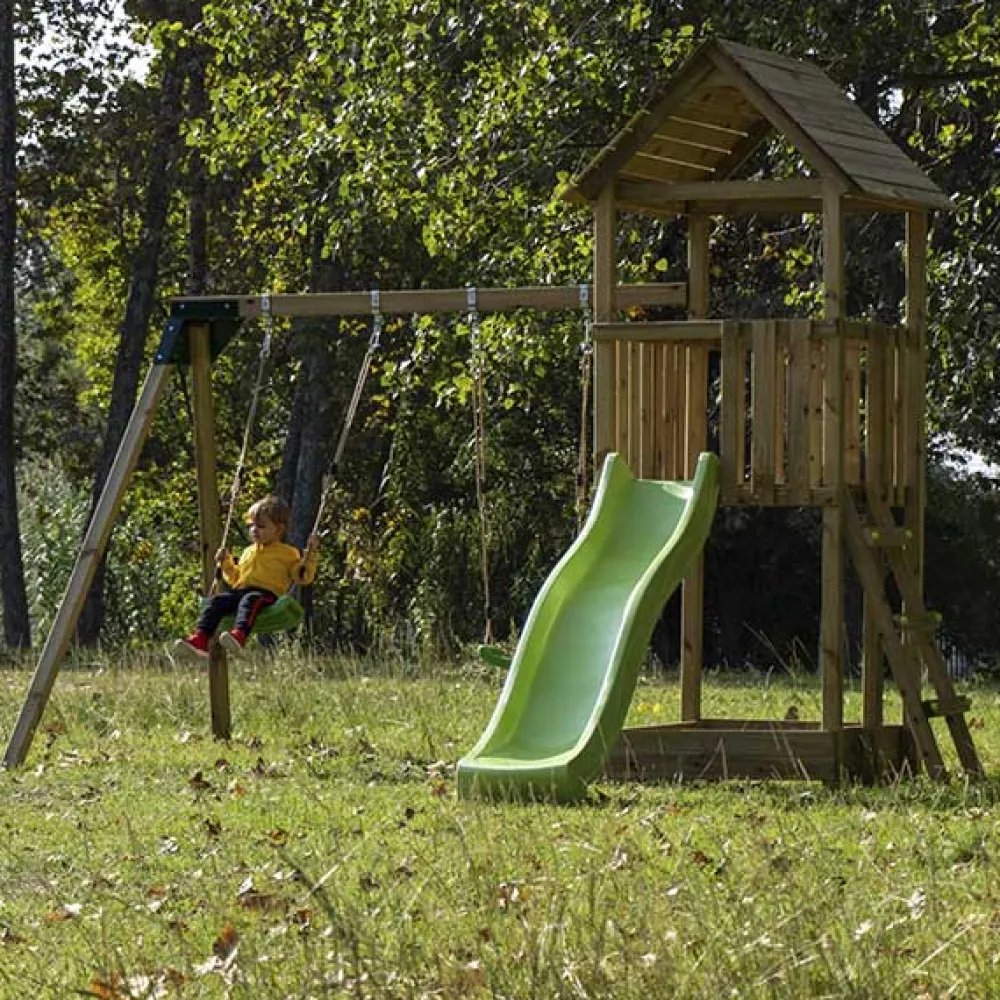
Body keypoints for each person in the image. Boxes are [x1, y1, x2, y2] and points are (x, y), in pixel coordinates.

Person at [172, 494, 319, 661]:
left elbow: (302, 577)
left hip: (266, 595)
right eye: (251, 525)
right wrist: (226, 563)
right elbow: (235, 578)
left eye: (261, 526)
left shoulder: (288, 553)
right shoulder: (248, 551)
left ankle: (239, 636)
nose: (254, 530)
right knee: (216, 601)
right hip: (241, 592)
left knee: (250, 599)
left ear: (278, 530)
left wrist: (311, 555)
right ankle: (200, 639)